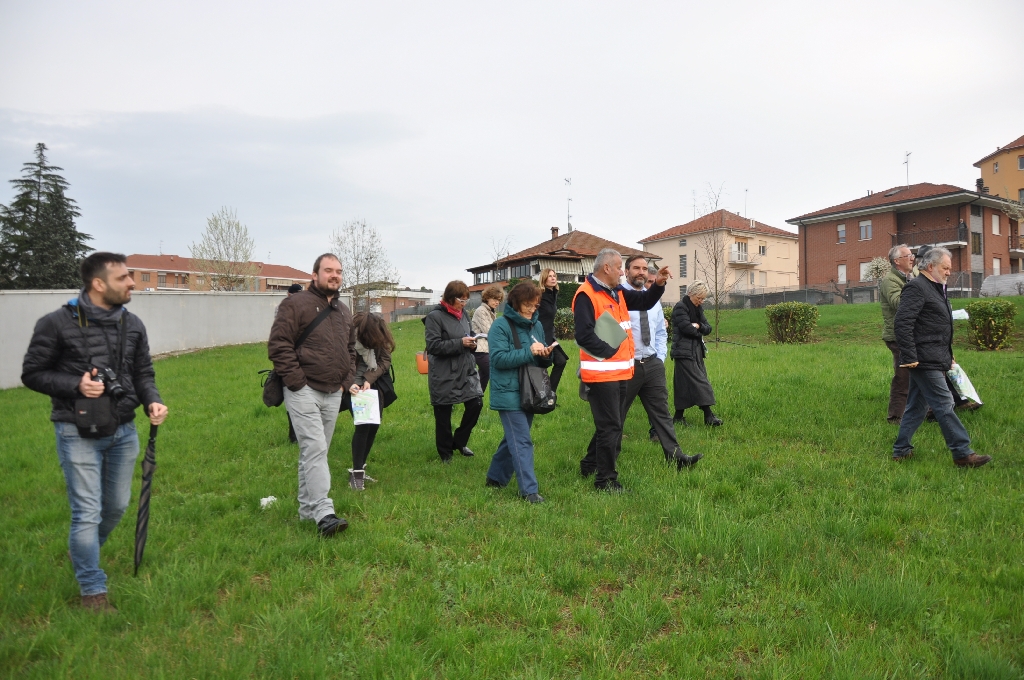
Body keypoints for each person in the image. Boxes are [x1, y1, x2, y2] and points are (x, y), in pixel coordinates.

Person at [21, 252, 169, 613]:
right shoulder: (55, 323)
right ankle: (92, 589)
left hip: (123, 429)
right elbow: (32, 373)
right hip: (76, 430)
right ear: (98, 284)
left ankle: (81, 551)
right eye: (123, 278)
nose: (133, 282)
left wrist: (153, 401)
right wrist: (76, 385)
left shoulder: (132, 324)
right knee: (87, 512)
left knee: (115, 506)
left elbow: (143, 372)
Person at [268, 253, 355, 537]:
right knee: (315, 449)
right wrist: (296, 382)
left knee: (316, 452)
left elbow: (351, 349)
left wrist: (346, 381)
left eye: (339, 271)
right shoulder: (295, 304)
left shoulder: (343, 311)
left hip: (333, 391)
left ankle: (306, 510)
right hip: (303, 389)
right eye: (328, 270)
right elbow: (279, 345)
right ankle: (323, 512)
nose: (335, 275)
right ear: (315, 274)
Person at [575, 248, 671, 492]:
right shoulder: (587, 294)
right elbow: (584, 335)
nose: (621, 272)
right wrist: (610, 351)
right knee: (611, 427)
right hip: (602, 373)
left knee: (611, 424)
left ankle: (589, 465)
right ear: (606, 268)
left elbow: (645, 301)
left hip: (620, 373)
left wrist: (658, 284)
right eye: (619, 267)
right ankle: (605, 480)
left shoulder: (616, 292)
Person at [892, 247, 991, 467]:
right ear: (930, 266)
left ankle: (901, 449)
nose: (949, 272)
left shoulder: (936, 288)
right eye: (945, 268)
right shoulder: (917, 288)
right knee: (945, 403)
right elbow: (902, 323)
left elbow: (936, 326)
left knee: (917, 406)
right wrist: (909, 356)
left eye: (949, 269)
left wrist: (949, 355)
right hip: (922, 359)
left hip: (935, 355)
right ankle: (962, 453)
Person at [619, 256, 702, 469]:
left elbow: (659, 332)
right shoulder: (617, 296)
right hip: (627, 365)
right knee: (615, 416)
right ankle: (594, 461)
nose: (641, 272)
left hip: (652, 363)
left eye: (644, 268)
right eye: (636, 268)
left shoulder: (652, 298)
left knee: (662, 413)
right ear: (626, 271)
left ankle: (676, 457)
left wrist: (659, 358)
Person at [484, 282, 553, 502]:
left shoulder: (537, 325)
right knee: (522, 441)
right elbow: (497, 359)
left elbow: (541, 360)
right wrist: (528, 351)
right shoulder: (500, 326)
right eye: (528, 305)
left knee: (513, 438)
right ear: (515, 303)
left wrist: (546, 354)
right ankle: (529, 491)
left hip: (530, 391)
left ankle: (495, 478)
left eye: (535, 305)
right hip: (508, 393)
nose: (533, 309)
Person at [423, 280, 484, 462]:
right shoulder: (434, 317)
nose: (463, 304)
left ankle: (459, 441)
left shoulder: (463, 313)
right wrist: (460, 343)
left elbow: (469, 334)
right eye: (460, 300)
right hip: (443, 372)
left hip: (466, 368)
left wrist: (472, 342)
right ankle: (445, 454)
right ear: (449, 298)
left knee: (476, 404)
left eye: (466, 300)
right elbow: (433, 346)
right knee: (443, 413)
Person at [345, 312, 395, 490]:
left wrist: (369, 379)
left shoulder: (378, 337)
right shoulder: (348, 339)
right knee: (362, 426)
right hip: (353, 388)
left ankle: (360, 469)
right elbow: (337, 364)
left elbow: (385, 360)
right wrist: (349, 383)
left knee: (373, 425)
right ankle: (356, 474)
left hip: (372, 386)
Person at [671, 281, 722, 426]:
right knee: (700, 382)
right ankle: (709, 416)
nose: (701, 301)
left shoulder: (698, 310)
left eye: (703, 298)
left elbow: (708, 328)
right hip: (683, 351)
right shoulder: (680, 307)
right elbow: (687, 329)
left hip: (696, 351)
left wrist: (698, 325)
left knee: (683, 385)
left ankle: (678, 417)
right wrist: (698, 330)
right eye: (699, 298)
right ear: (691, 294)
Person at [277, 282, 306, 443]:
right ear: (289, 295)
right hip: (289, 361)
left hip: (303, 360)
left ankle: (301, 432)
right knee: (292, 398)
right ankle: (294, 435)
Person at [537, 268, 570, 393]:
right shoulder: (540, 296)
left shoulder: (553, 294)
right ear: (544, 279)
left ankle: (549, 394)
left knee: (561, 361)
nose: (553, 278)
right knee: (541, 366)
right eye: (549, 276)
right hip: (541, 337)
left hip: (550, 335)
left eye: (554, 276)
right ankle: (541, 395)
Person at [471, 284, 504, 394]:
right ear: (487, 297)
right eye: (495, 299)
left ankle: (476, 398)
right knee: (491, 371)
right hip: (480, 349)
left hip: (487, 349)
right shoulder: (481, 311)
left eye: (499, 300)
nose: (497, 302)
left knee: (484, 376)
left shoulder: (491, 311)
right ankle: (473, 396)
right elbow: (490, 331)